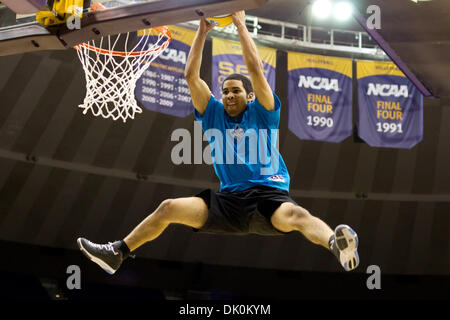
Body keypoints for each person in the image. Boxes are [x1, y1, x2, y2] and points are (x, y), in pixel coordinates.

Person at [77, 11, 359, 275]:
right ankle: (118, 253)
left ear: (249, 97)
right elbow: (191, 76)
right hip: (229, 203)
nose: (229, 95)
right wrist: (201, 31)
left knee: (297, 215)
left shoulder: (263, 113)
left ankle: (335, 244)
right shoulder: (213, 115)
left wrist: (240, 25)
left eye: (235, 91)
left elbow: (256, 70)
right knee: (168, 208)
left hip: (267, 195)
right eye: (225, 91)